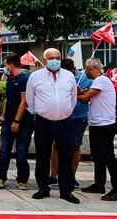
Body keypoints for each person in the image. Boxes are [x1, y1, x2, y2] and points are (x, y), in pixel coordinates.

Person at [26, 48, 78, 203]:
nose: (55, 60)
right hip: (43, 121)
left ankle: (66, 190)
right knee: (42, 155)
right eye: (51, 58)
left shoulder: (69, 76)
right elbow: (30, 99)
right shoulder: (35, 76)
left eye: (57, 57)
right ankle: (43, 188)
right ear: (45, 59)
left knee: (66, 156)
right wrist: (41, 112)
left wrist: (64, 110)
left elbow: (73, 98)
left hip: (65, 121)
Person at [77, 58, 117, 200]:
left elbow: (85, 98)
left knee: (108, 157)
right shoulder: (100, 81)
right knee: (98, 157)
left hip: (104, 125)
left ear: (90, 68)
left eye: (85, 69)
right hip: (97, 124)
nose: (85, 72)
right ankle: (99, 184)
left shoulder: (101, 80)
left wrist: (75, 93)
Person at [49, 59, 90, 188]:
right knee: (56, 146)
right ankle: (53, 176)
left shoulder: (84, 78)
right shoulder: (57, 77)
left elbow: (89, 95)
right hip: (60, 116)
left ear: (73, 69)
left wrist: (78, 93)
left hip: (78, 117)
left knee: (75, 146)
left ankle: (71, 177)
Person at [0, 53, 33, 189]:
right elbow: (8, 99)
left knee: (21, 152)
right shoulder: (10, 79)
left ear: (10, 64)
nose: (5, 67)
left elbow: (24, 102)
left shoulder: (25, 79)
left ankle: (22, 179)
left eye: (5, 64)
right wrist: (3, 115)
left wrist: (16, 121)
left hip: (24, 122)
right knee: (4, 150)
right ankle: (0, 177)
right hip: (8, 121)